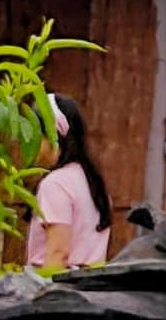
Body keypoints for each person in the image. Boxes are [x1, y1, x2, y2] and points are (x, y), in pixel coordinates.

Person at [26, 93, 111, 271]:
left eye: (35, 135)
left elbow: (58, 253)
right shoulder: (90, 182)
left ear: (53, 136)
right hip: (90, 289)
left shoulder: (56, 184)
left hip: (58, 290)